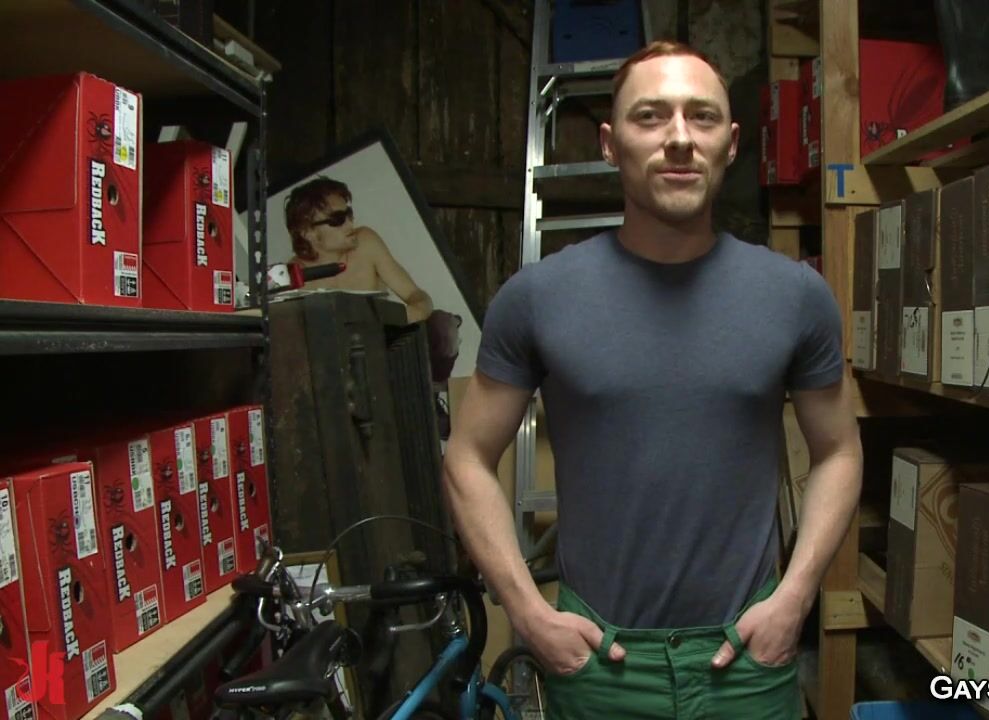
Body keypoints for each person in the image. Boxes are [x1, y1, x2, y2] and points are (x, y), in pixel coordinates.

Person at [443, 41, 863, 719]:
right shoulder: (538, 298)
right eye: (651, 116)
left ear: (730, 144)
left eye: (702, 117)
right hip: (599, 666)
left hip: (747, 663)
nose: (679, 138)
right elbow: (467, 456)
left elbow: (839, 451)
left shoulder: (794, 296)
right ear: (610, 144)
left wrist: (795, 597)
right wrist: (526, 611)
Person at [284, 176, 435, 322]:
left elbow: (415, 294)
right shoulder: (295, 277)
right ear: (307, 232)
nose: (350, 223)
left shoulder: (365, 242)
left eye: (349, 214)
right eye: (338, 219)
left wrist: (413, 313)